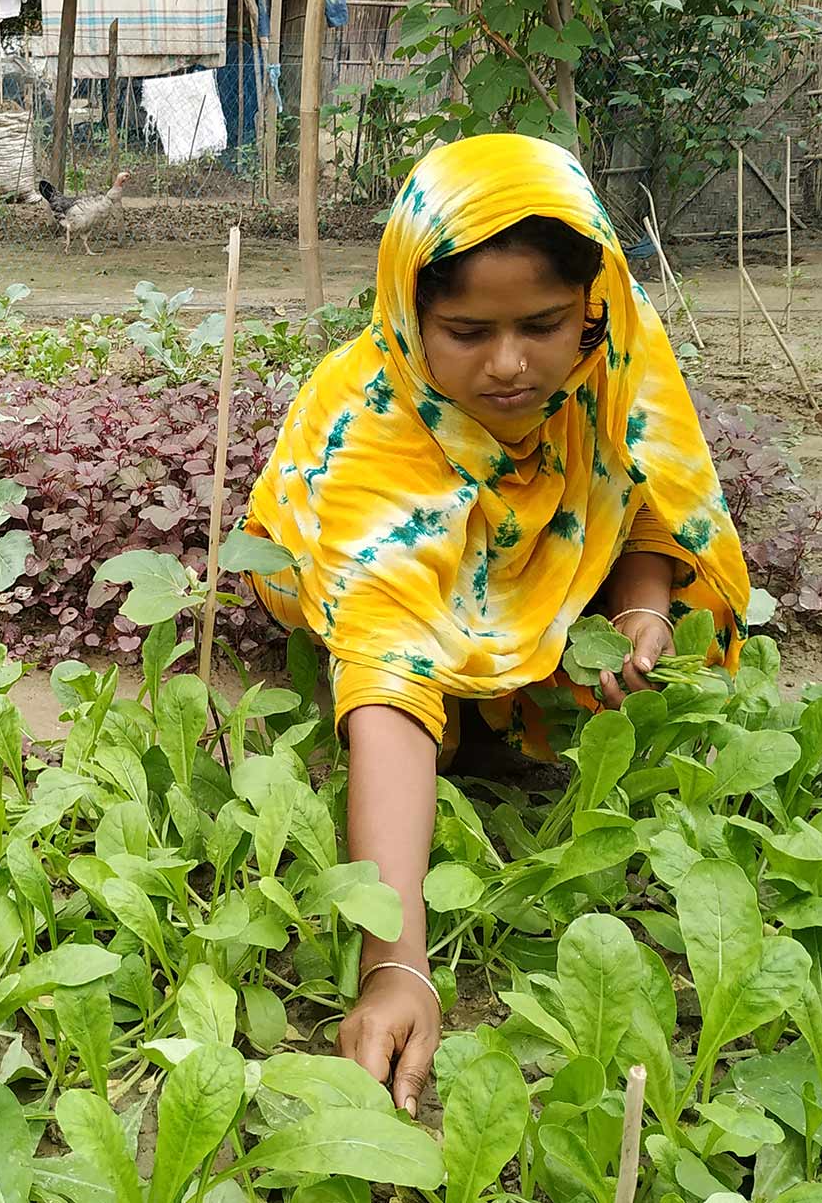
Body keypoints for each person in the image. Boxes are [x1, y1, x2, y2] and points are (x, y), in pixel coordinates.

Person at [245, 133, 750, 1114]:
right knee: (413, 695)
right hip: (359, 572)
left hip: (518, 550)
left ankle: (513, 647)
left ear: (591, 306)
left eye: (544, 324)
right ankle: (476, 679)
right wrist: (397, 963)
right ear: (410, 311)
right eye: (469, 331)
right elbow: (391, 673)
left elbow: (641, 487)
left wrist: (641, 605)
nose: (512, 365)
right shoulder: (369, 437)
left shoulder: (612, 355)